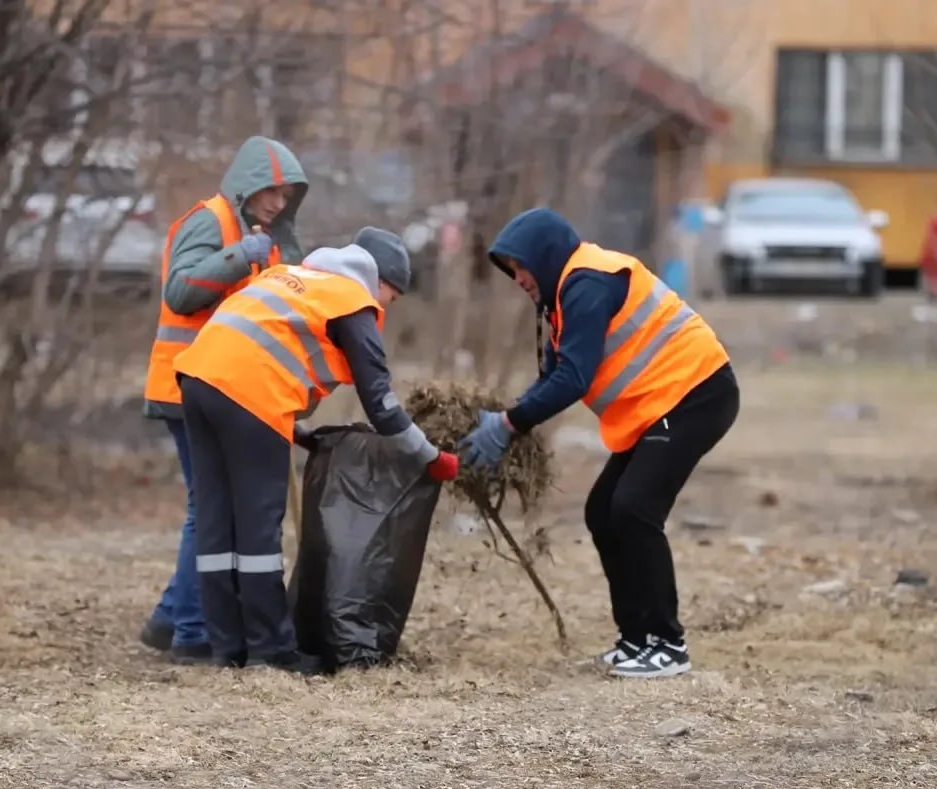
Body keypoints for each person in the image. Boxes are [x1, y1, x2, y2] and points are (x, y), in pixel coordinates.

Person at [458, 208, 739, 679]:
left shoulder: (589, 281)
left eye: (521, 266)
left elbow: (573, 377)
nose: (518, 279)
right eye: (510, 271)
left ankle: (668, 645)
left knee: (633, 508)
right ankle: (635, 639)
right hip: (657, 404)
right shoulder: (562, 301)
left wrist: (508, 425)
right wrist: (508, 422)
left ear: (544, 257)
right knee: (603, 510)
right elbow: (552, 376)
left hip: (696, 393)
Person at [171, 227, 460, 672]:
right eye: (391, 296)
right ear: (377, 279)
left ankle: (228, 648)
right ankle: (271, 651)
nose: (386, 306)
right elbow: (382, 405)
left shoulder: (291, 278)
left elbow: (258, 348)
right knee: (257, 529)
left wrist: (300, 431)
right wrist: (431, 457)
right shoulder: (351, 300)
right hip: (250, 395)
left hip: (196, 382)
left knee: (216, 521)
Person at [139, 136, 310, 664]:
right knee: (206, 510)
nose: (278, 203)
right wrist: (240, 258)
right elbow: (181, 291)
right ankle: (191, 631)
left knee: (213, 509)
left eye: (286, 195)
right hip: (185, 386)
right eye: (271, 191)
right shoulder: (210, 222)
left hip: (228, 391)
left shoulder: (273, 237)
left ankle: (172, 618)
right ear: (246, 184)